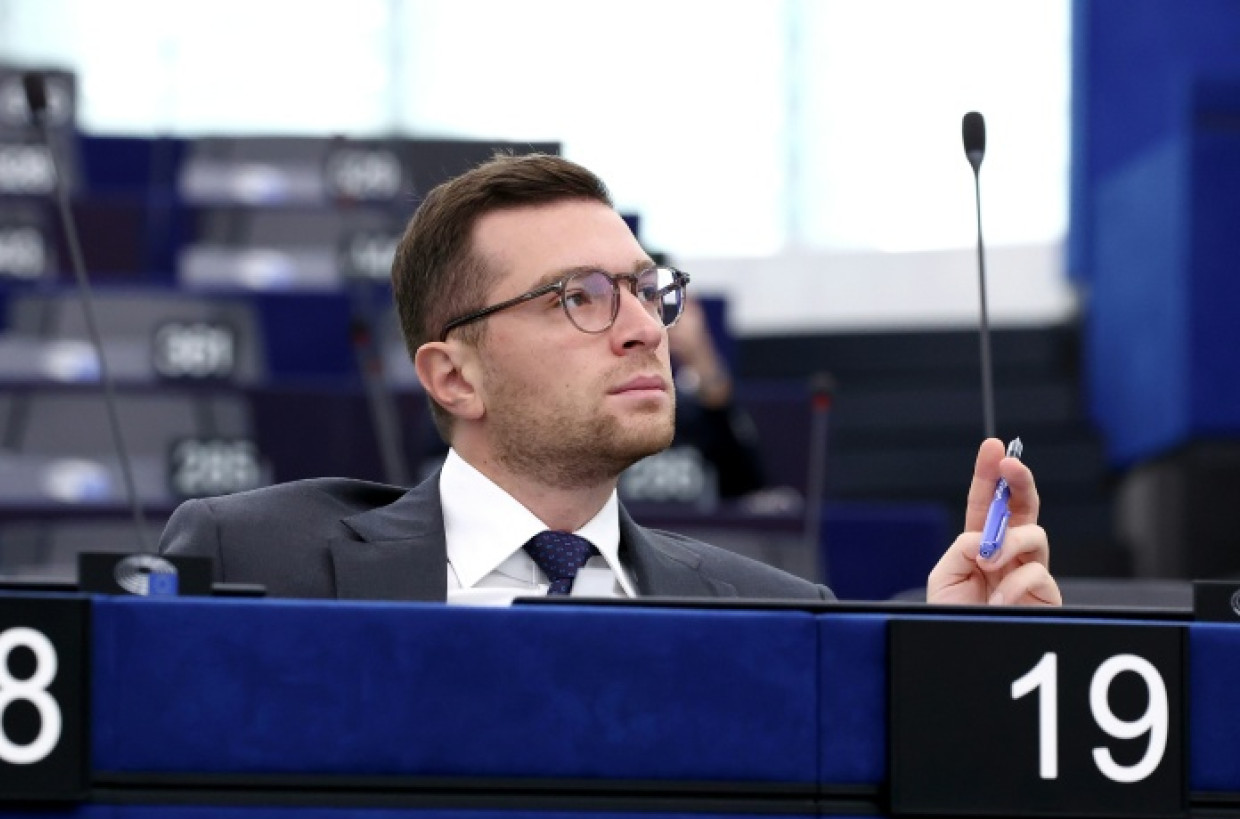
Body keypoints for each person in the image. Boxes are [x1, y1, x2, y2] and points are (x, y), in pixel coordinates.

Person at [159, 153, 1060, 607]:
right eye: (578, 298)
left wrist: (946, 665)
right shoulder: (252, 559)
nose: (643, 329)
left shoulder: (778, 614)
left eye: (646, 289)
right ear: (454, 377)